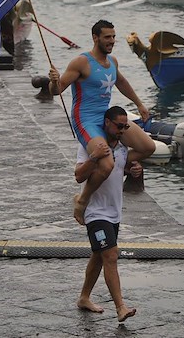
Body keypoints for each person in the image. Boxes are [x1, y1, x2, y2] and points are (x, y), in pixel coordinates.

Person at [48, 20, 155, 225]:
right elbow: (57, 90)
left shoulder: (112, 62)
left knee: (147, 146)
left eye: (113, 37)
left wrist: (139, 104)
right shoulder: (81, 62)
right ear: (95, 38)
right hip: (85, 120)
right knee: (106, 165)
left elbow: (121, 82)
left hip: (106, 117)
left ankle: (118, 162)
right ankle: (82, 200)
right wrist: (54, 80)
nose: (112, 41)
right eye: (107, 37)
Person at [75, 105, 141, 323]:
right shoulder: (91, 146)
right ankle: (120, 307)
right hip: (96, 213)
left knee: (98, 256)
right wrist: (93, 158)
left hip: (114, 213)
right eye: (119, 125)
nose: (122, 130)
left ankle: (84, 297)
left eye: (125, 126)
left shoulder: (123, 149)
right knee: (111, 255)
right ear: (107, 123)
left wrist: (131, 171)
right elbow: (78, 176)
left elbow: (117, 172)